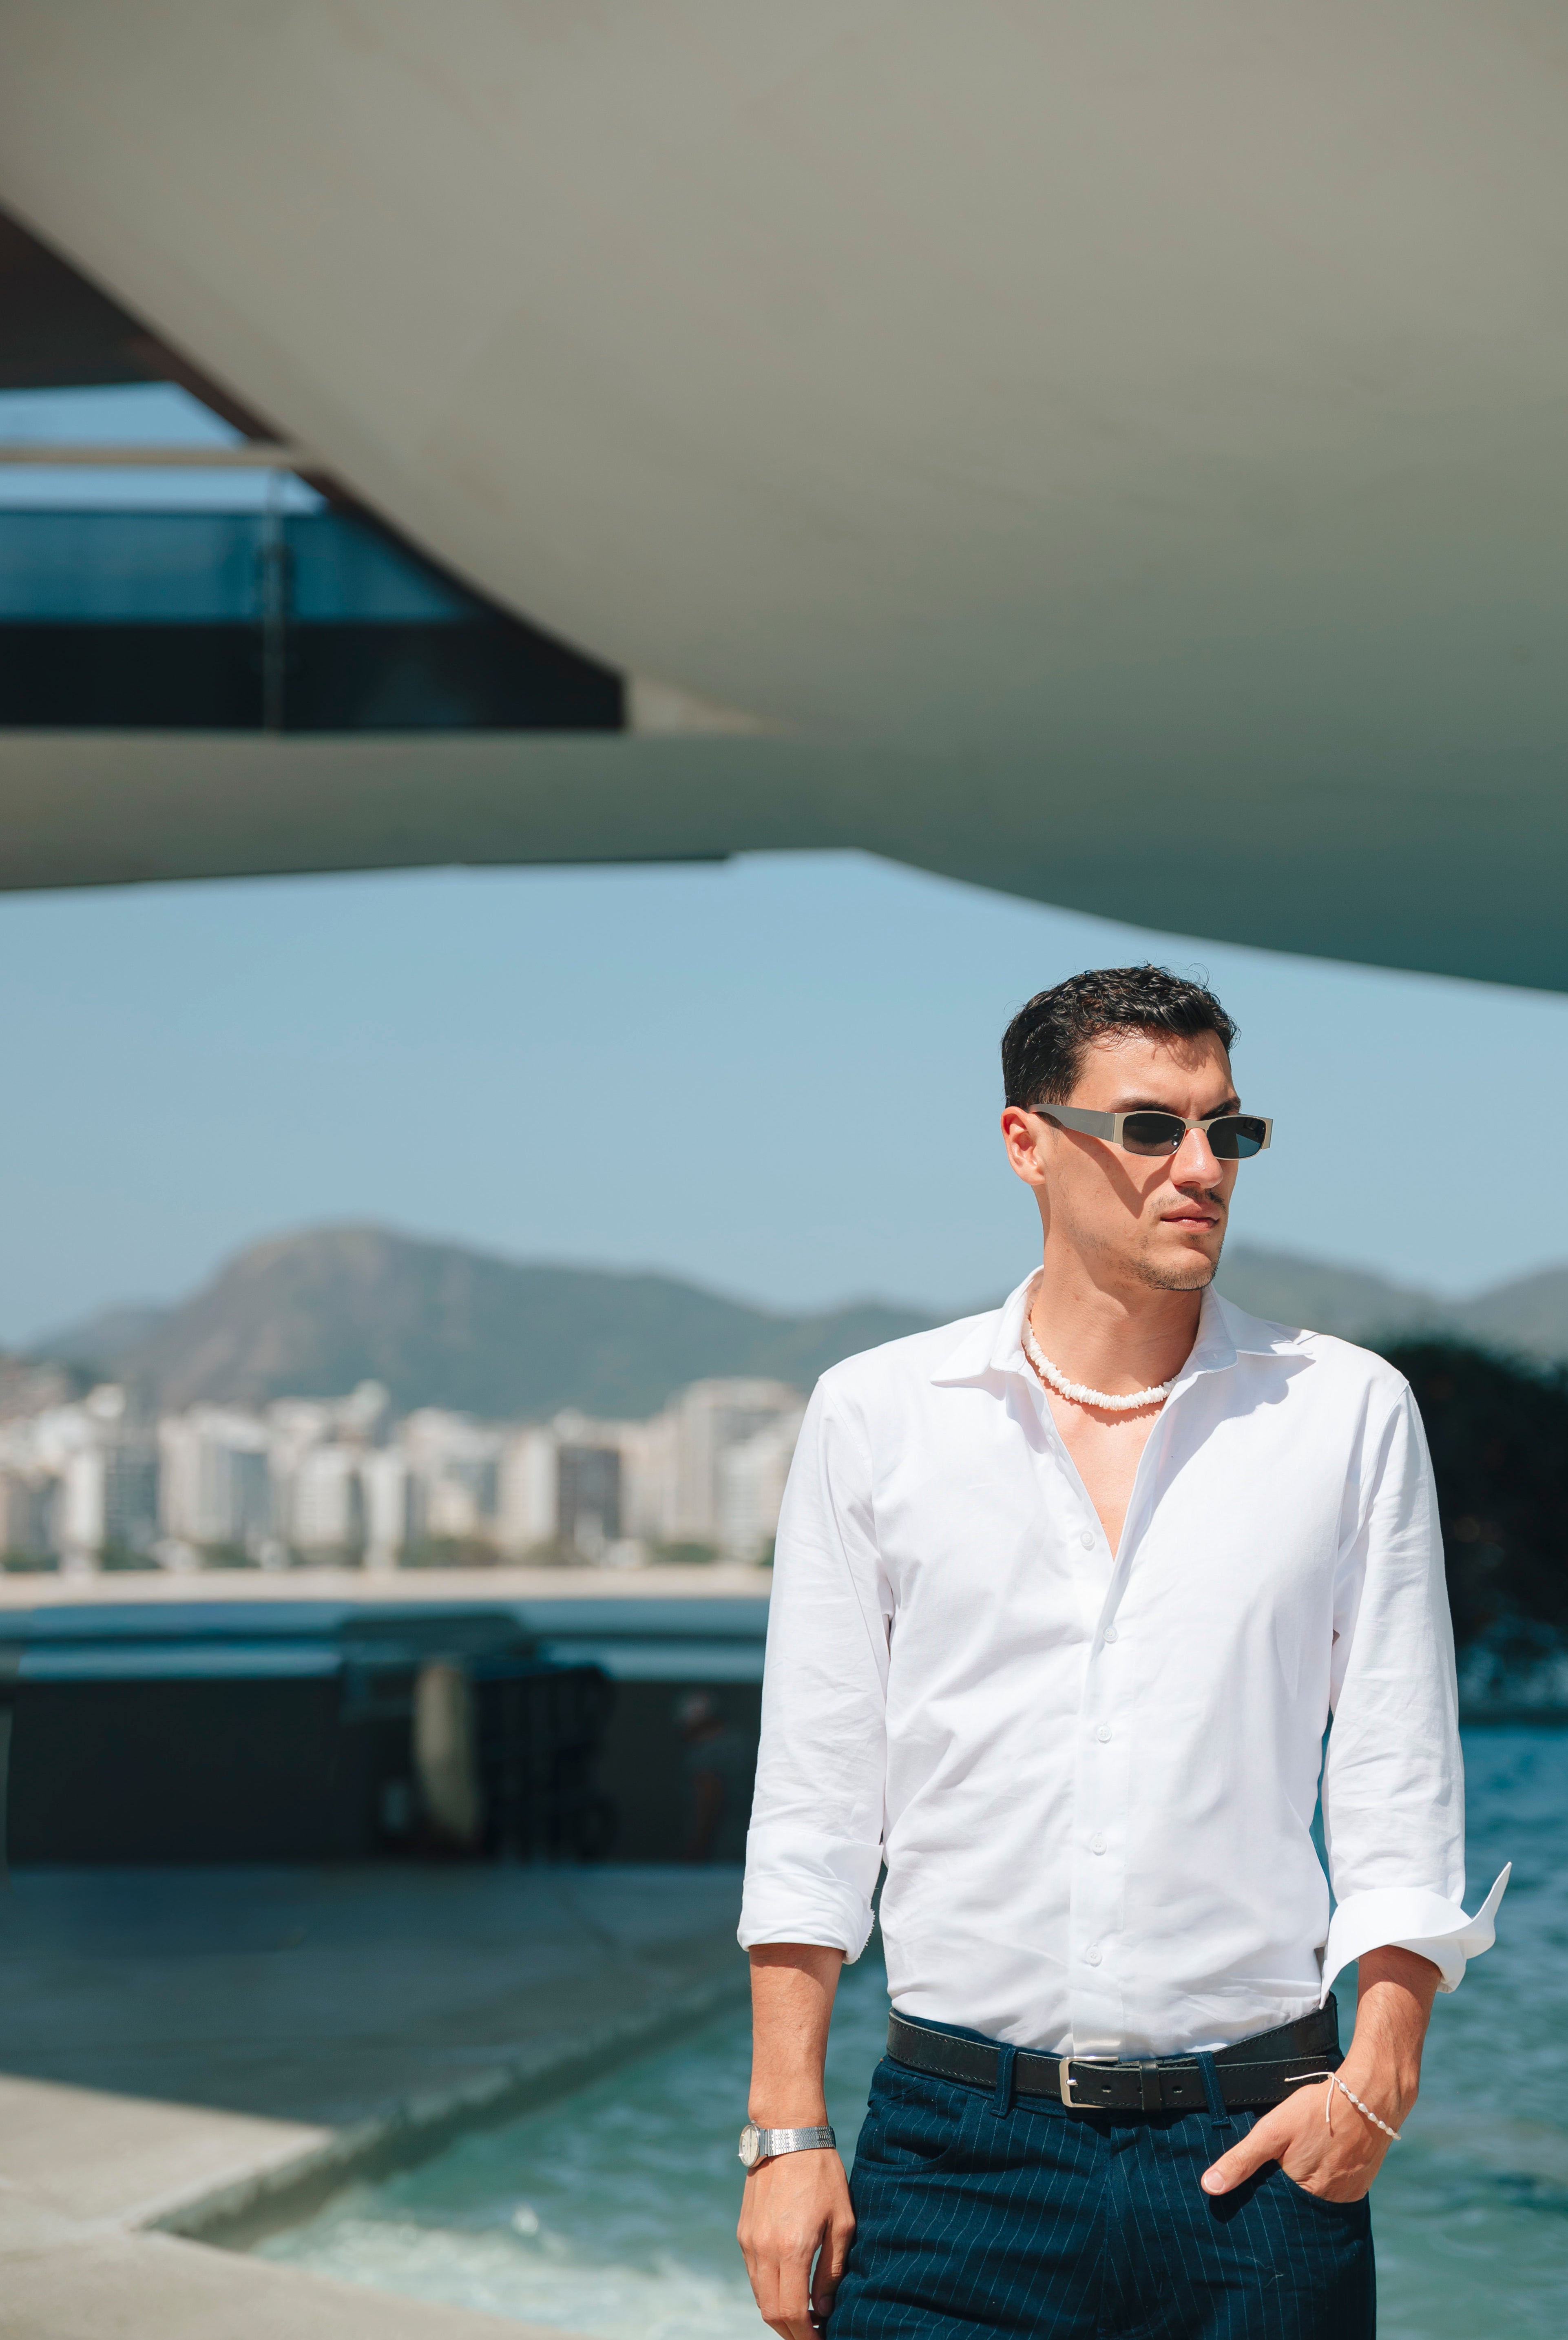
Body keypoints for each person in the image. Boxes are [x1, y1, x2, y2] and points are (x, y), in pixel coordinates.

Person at [734, 966, 1506, 2340]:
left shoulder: (1343, 1411)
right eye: (1150, 1128)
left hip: (1256, 2156)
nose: (1199, 1168)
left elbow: (1396, 1778)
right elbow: (816, 1798)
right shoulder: (877, 1414)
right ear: (1025, 1140)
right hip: (952, 2155)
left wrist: (1378, 2076)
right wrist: (784, 2131)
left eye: (1227, 1130)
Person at [675, 1689, 756, 1863]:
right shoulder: (742, 1742)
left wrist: (697, 1847)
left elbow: (709, 1800)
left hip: (723, 1842)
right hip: (749, 1838)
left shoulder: (707, 1752)